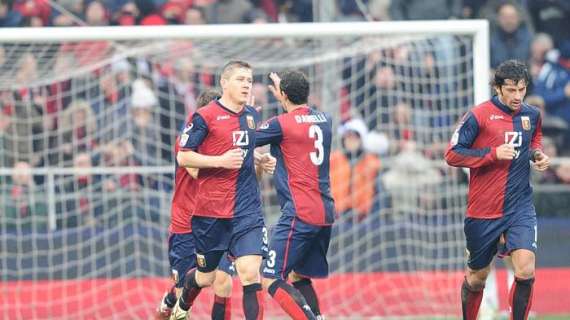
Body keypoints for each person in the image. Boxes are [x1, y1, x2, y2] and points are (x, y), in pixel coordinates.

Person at [173, 60, 305, 320]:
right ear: (224, 83)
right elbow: (184, 158)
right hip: (211, 213)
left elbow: (244, 154)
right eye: (240, 79)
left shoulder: (252, 116)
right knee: (206, 277)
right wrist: (218, 161)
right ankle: (181, 306)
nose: (246, 84)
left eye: (248, 80)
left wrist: (259, 160)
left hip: (247, 212)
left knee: (249, 273)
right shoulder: (204, 117)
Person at [444, 60, 550, 320]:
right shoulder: (478, 115)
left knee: (525, 271)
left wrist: (537, 154)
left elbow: (533, 139)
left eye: (521, 90)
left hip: (520, 206)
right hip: (483, 210)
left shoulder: (531, 115)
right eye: (511, 90)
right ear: (498, 88)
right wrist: (492, 154)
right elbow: (452, 154)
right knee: (477, 278)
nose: (517, 96)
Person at [256, 70, 336, 320]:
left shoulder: (281, 124)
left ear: (283, 95)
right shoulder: (325, 119)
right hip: (324, 211)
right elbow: (301, 117)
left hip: (299, 212)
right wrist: (286, 94)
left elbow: (243, 139)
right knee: (299, 275)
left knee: (270, 277)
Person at [155, 89, 235, 320]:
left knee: (222, 281)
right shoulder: (186, 141)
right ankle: (171, 298)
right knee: (184, 298)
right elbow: (196, 171)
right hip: (185, 225)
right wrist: (225, 160)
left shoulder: (226, 141)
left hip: (214, 222)